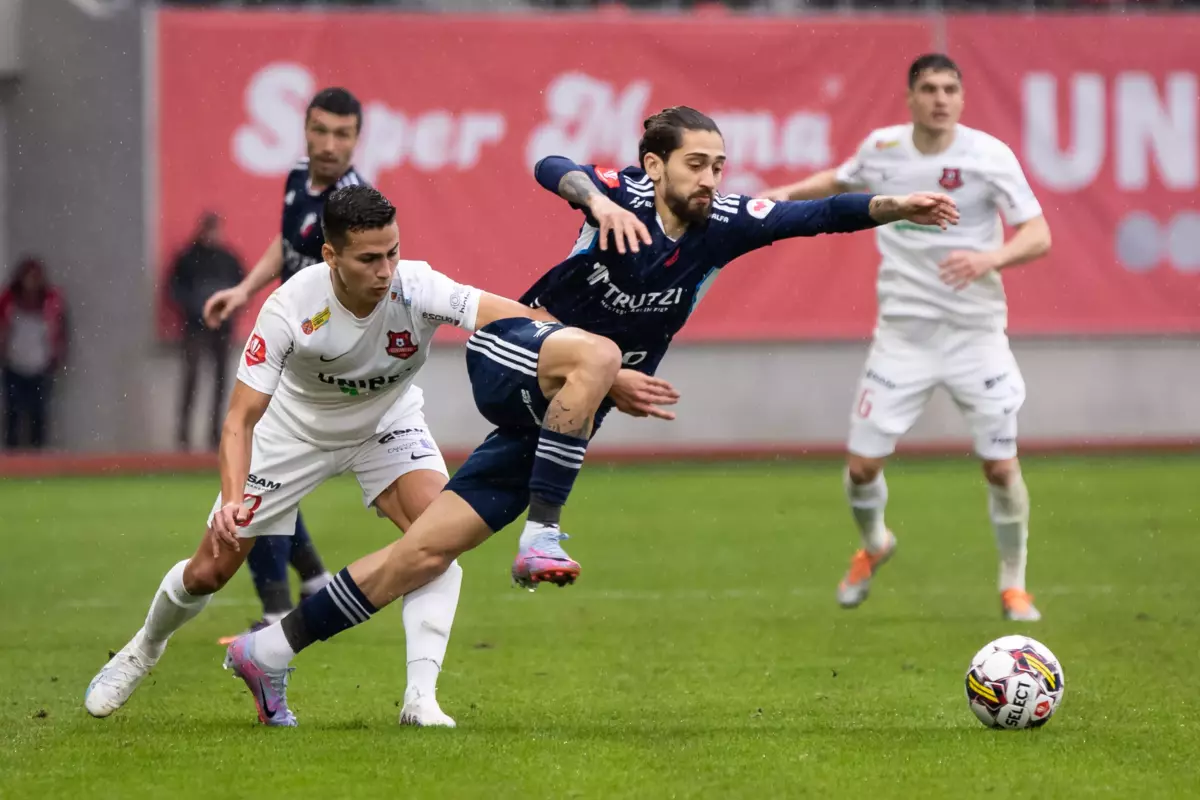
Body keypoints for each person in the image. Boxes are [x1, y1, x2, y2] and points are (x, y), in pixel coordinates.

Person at [221, 105, 957, 724]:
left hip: (559, 409)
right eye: (696, 163)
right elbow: (550, 164)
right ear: (652, 165)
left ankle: (268, 653)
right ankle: (543, 533)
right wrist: (598, 202)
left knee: (422, 553)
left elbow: (819, 214)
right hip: (511, 350)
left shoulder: (725, 223)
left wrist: (899, 208)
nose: (710, 179)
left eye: (718, 165)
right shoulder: (622, 196)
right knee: (602, 355)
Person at [87, 184, 636, 727]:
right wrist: (232, 501)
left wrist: (598, 366)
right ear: (331, 256)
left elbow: (517, 319)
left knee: (435, 542)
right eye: (370, 258)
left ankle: (420, 701)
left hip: (386, 424)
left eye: (392, 252)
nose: (386, 270)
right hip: (292, 435)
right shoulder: (291, 307)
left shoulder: (417, 286)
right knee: (209, 572)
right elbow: (240, 419)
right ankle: (142, 650)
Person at [764, 54, 1052, 621]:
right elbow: (840, 181)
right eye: (929, 88)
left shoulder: (988, 155)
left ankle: (1014, 585)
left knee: (999, 466)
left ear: (963, 99)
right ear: (910, 97)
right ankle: (875, 545)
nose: (940, 98)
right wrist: (779, 195)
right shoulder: (884, 148)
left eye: (950, 88)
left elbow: (1038, 233)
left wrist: (991, 257)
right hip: (902, 337)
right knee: (862, 469)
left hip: (976, 336)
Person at [203, 87, 368, 638]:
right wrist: (245, 288)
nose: (328, 144)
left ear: (356, 139)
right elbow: (286, 240)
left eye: (341, 134)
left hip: (316, 362)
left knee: (257, 478)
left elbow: (368, 284)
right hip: (286, 346)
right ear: (305, 129)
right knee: (265, 478)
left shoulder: (354, 206)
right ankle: (315, 581)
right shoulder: (299, 177)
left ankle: (275, 617)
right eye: (320, 130)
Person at [169, 212, 244, 450]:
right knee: (191, 379)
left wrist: (228, 311)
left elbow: (242, 288)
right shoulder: (189, 258)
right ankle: (184, 434)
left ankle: (214, 434)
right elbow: (174, 288)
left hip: (222, 328)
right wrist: (194, 307)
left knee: (221, 381)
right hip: (195, 326)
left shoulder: (228, 258)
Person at [0, 257, 67, 450]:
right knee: (13, 412)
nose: (31, 282)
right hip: (14, 364)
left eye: (35, 277)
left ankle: (38, 457)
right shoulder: (9, 300)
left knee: (38, 413)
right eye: (27, 277)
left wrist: (58, 355)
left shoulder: (50, 301)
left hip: (40, 366)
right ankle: (11, 457)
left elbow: (60, 328)